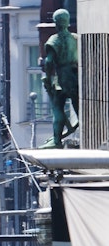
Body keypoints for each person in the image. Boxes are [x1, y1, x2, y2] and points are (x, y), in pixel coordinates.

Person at [42, 8, 79, 148]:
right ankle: (90, 132)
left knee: (57, 107)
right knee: (78, 107)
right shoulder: (75, 38)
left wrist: (47, 78)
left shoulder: (54, 40)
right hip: (74, 76)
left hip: (61, 77)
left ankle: (56, 140)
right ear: (68, 21)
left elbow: (49, 61)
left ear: (55, 22)